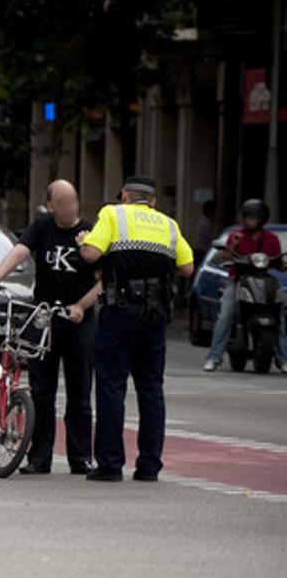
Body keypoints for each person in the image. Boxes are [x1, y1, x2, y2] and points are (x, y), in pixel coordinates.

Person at [0, 180, 101, 475]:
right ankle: (39, 457)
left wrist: (82, 306)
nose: (71, 207)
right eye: (64, 202)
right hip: (44, 315)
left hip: (78, 319)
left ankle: (80, 456)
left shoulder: (90, 232)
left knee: (80, 393)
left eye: (74, 201)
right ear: (51, 206)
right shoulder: (42, 226)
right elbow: (20, 251)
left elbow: (103, 280)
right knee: (42, 390)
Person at [77, 175, 194, 482]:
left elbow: (91, 254)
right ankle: (149, 466)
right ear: (153, 202)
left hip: (120, 312)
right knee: (152, 390)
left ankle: (110, 465)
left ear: (125, 196)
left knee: (111, 386)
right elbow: (186, 267)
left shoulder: (112, 214)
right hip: (155, 316)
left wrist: (83, 244)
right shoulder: (169, 225)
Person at [202, 198, 285, 372]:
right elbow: (222, 258)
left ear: (262, 218)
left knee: (280, 315)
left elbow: (278, 260)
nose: (249, 221)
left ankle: (283, 358)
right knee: (226, 314)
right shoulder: (236, 236)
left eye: (253, 217)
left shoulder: (271, 239)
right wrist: (232, 245)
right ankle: (214, 357)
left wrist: (282, 264)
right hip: (238, 279)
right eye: (247, 217)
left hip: (265, 280)